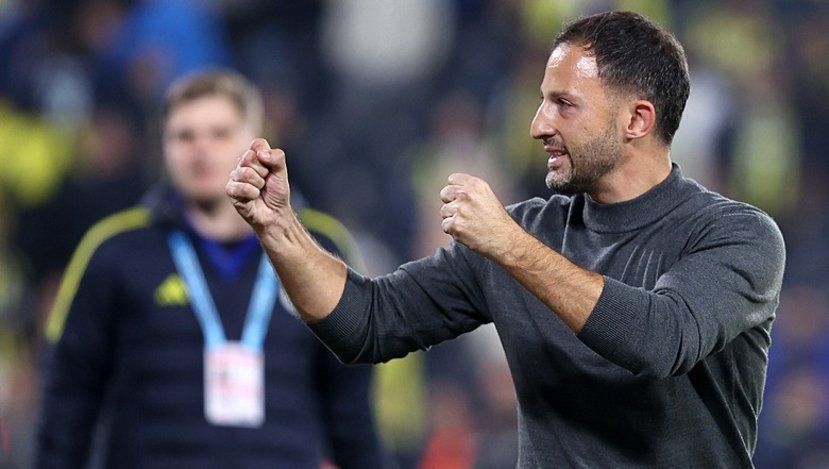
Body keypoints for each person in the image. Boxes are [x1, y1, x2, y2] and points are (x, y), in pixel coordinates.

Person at [227, 10, 786, 468]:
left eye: (564, 104)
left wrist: (511, 247)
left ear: (637, 120)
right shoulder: (522, 232)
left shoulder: (737, 236)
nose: (538, 124)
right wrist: (279, 227)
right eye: (542, 100)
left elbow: (661, 340)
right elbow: (365, 323)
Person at [35, 69, 387, 469]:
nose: (200, 150)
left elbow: (353, 412)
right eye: (184, 136)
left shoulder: (317, 246)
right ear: (163, 146)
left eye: (219, 134)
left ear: (255, 142)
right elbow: (67, 401)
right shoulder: (116, 250)